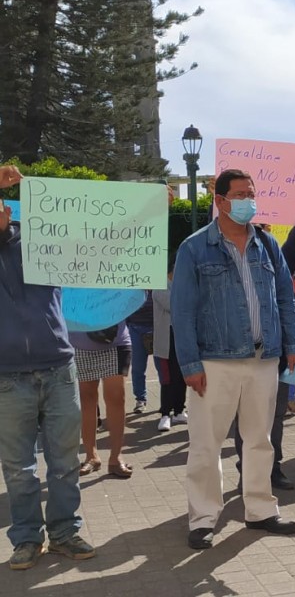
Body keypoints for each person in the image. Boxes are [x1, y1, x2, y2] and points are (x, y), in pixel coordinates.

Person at [171, 169, 295, 549]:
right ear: (221, 200)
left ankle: (261, 509)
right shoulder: (194, 248)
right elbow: (182, 311)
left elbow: (285, 298)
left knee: (260, 440)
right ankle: (203, 517)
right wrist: (190, 365)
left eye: (252, 193)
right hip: (215, 361)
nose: (249, 200)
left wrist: (292, 345)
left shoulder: (267, 244)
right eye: (241, 194)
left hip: (264, 360)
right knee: (206, 444)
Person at [0, 165, 95, 569]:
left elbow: (109, 231)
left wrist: (152, 210)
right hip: (6, 375)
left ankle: (64, 533)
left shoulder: (43, 239)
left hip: (58, 367)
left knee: (65, 461)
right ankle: (25, 539)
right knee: (18, 467)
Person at [69, 324, 134, 478]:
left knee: (117, 398)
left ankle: (116, 457)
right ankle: (91, 456)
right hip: (79, 343)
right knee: (86, 400)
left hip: (116, 342)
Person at [152, 256, 187, 432]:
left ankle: (179, 411)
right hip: (166, 338)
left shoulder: (182, 285)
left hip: (182, 336)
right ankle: (165, 413)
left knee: (182, 375)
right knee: (168, 378)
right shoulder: (160, 286)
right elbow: (172, 304)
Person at [126, 292, 154, 413]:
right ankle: (140, 399)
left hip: (157, 327)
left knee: (163, 368)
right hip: (135, 328)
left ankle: (166, 404)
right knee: (138, 367)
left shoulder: (159, 281)